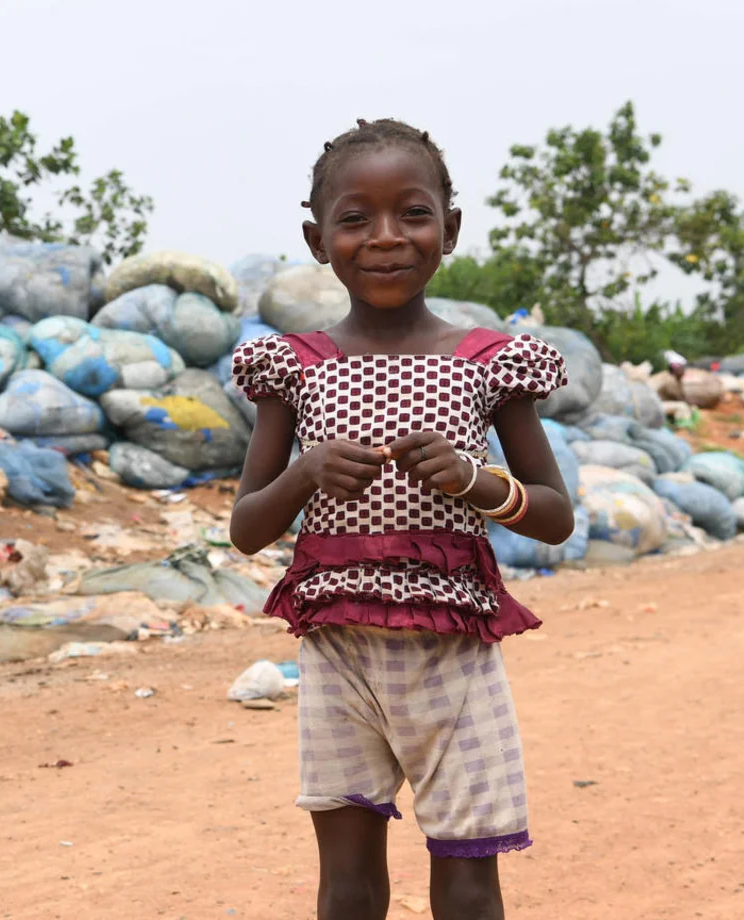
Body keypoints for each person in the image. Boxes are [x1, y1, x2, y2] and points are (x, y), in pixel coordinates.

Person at [228, 119, 576, 920]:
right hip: (337, 655)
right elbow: (246, 527)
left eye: (412, 215)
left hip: (454, 659)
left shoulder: (488, 360)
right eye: (355, 219)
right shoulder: (293, 366)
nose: (385, 239)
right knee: (346, 883)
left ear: (449, 230)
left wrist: (474, 482)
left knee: (466, 875)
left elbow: (553, 515)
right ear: (317, 240)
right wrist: (305, 475)